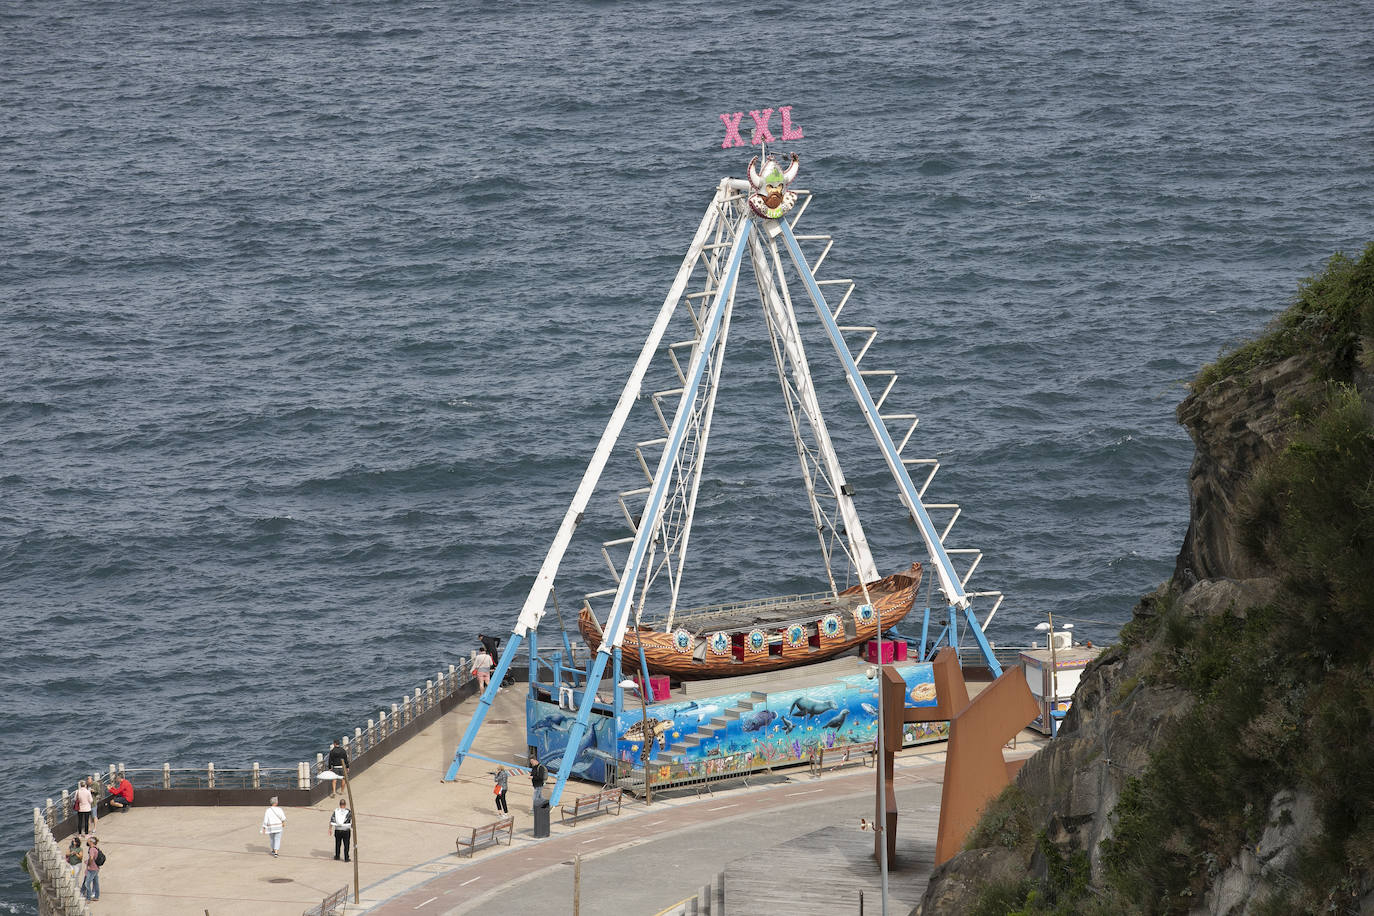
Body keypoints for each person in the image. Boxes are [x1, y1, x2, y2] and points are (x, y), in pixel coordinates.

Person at [81, 837, 101, 901]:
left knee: (87, 883)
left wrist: (88, 864)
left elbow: (91, 858)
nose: (87, 842)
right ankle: (96, 896)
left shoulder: (92, 849)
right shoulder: (96, 848)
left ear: (91, 842)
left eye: (88, 841)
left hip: (92, 868)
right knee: (96, 883)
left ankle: (88, 898)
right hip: (96, 868)